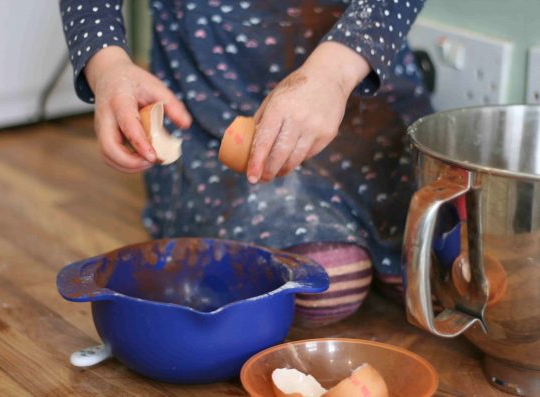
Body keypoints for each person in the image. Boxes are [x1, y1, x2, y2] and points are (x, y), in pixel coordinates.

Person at [60, 0, 433, 327]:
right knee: (328, 282)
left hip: (355, 89)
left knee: (440, 269)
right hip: (210, 105)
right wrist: (106, 66)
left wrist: (334, 73)